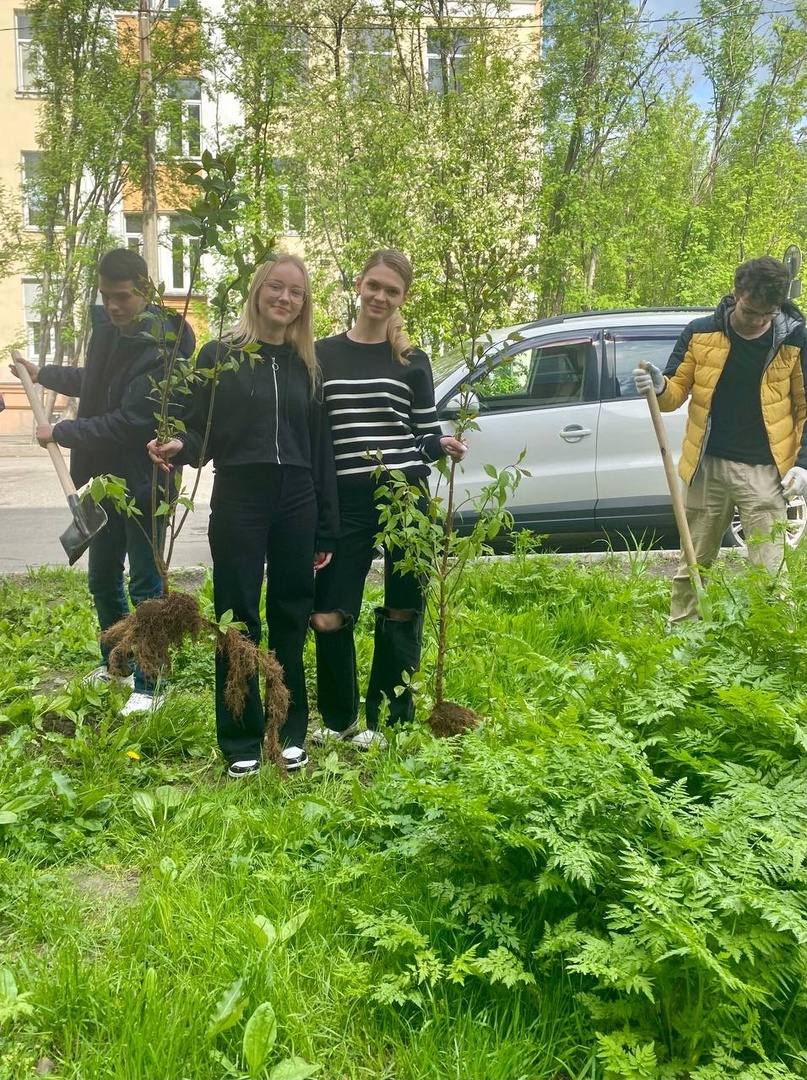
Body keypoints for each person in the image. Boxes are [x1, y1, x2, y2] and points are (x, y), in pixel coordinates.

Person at [148, 255, 338, 778]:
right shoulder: (221, 354)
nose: (285, 298)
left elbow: (321, 450)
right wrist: (179, 443)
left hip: (297, 494)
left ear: (303, 303)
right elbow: (198, 426)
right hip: (240, 493)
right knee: (237, 614)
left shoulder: (308, 364)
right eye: (275, 287)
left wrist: (326, 524)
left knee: (291, 612)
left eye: (295, 292)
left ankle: (288, 729)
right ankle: (240, 739)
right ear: (258, 291)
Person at [10, 247, 195, 713]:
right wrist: (43, 373)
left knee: (146, 586)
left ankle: (152, 682)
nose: (113, 306)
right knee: (102, 578)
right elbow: (96, 382)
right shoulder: (111, 331)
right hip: (103, 480)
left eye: (123, 297)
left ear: (146, 292)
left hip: (146, 479)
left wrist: (63, 431)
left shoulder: (163, 346)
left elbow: (131, 421)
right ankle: (119, 665)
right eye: (106, 296)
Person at [310, 249, 467, 749]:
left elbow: (424, 434)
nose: (380, 296)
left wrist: (442, 446)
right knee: (328, 613)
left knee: (402, 609)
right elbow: (318, 438)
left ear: (403, 297)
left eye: (392, 290)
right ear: (359, 284)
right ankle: (338, 720)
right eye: (373, 285)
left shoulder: (412, 362)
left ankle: (387, 720)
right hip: (347, 503)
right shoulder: (320, 355)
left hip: (406, 500)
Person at [634, 255, 807, 622]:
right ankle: (684, 636)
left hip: (765, 471)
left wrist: (803, 465)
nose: (758, 321)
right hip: (707, 466)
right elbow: (674, 392)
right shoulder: (700, 332)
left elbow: (805, 406)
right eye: (750, 312)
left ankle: (775, 641)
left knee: (770, 570)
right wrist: (659, 385)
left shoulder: (796, 338)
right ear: (736, 293)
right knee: (694, 563)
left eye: (767, 314)